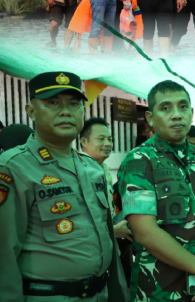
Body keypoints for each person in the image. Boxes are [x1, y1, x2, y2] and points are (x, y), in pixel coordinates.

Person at [0, 71, 127, 302]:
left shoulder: (93, 168)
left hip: (100, 294)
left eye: (74, 104)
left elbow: (107, 238)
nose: (65, 111)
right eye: (53, 103)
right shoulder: (13, 168)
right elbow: (3, 254)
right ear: (31, 112)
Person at [117, 80, 195, 302]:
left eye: (182, 107)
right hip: (160, 290)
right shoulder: (139, 161)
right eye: (165, 108)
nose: (177, 115)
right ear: (151, 118)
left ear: (191, 113)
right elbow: (145, 232)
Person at [79, 117, 133, 242]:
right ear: (84, 141)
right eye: (101, 139)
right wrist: (113, 231)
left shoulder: (103, 168)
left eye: (110, 139)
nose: (108, 143)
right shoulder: (79, 172)